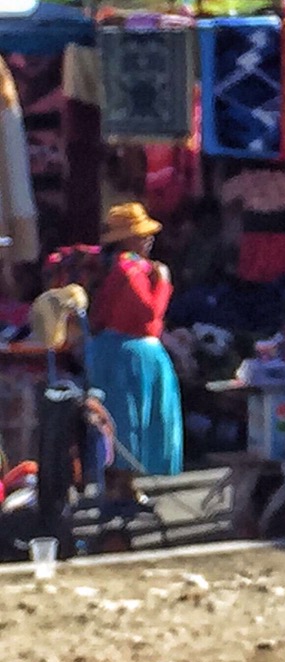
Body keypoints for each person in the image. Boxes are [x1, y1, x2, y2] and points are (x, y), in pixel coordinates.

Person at [86, 203, 184, 477]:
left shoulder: (122, 268)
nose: (149, 238)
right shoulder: (128, 269)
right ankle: (125, 482)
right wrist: (163, 281)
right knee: (128, 420)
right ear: (127, 238)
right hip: (129, 358)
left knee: (126, 418)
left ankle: (125, 482)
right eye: (142, 234)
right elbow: (149, 313)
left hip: (119, 353)